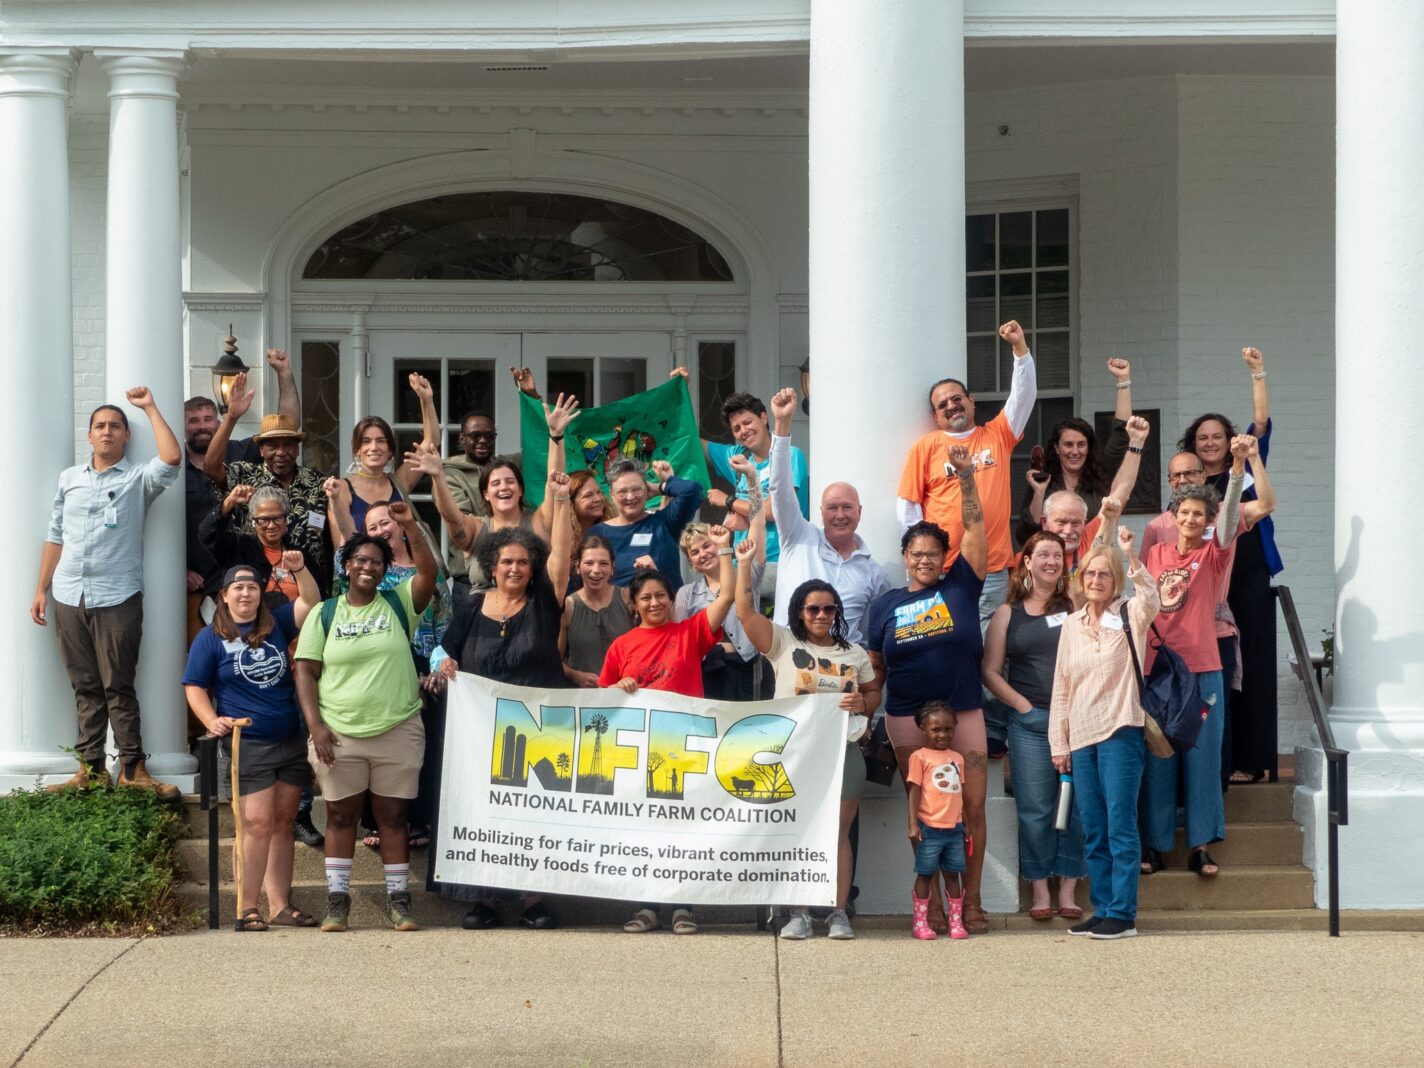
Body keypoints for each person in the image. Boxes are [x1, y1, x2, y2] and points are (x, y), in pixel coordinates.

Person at [427, 468, 575, 931]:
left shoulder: (545, 602)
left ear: (533, 568)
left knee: (532, 815)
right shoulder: (471, 606)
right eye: (506, 562)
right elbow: (444, 650)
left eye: (522, 563)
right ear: (491, 565)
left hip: (538, 731)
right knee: (485, 810)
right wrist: (442, 665)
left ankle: (534, 901)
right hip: (482, 733)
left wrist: (563, 502)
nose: (514, 568)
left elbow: (563, 561)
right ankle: (484, 899)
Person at [293, 502, 438, 933]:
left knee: (394, 818)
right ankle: (338, 903)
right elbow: (305, 669)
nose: (368, 568)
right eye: (360, 560)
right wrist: (316, 726)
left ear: (385, 568)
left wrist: (410, 525)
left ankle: (400, 903)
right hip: (339, 734)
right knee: (340, 818)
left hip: (398, 729)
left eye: (376, 562)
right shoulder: (326, 613)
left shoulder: (398, 604)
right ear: (346, 565)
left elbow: (428, 574)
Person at [32, 388, 182, 797]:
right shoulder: (70, 479)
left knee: (118, 684)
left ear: (125, 437)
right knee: (84, 684)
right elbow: (54, 535)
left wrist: (149, 407)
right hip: (68, 594)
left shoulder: (137, 479)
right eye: (100, 426)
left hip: (118, 595)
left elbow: (171, 458)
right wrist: (41, 588)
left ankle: (133, 769)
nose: (107, 432)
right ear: (90, 435)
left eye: (115, 426)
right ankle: (90, 768)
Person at [867, 444, 990, 934]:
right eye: (916, 554)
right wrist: (864, 705)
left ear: (945, 559)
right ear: (904, 557)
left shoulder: (961, 585)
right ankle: (934, 906)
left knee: (971, 809)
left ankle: (971, 901)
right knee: (925, 813)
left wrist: (965, 479)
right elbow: (876, 667)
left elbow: (977, 531)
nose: (924, 560)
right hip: (905, 718)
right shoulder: (885, 605)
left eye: (932, 554)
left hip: (964, 713)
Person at [733, 560, 882, 941]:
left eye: (828, 608)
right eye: (813, 608)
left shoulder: (855, 653)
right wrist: (741, 563)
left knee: (838, 834)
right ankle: (797, 912)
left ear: (837, 613)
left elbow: (871, 693)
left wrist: (863, 704)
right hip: (793, 754)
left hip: (842, 752)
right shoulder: (783, 643)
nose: (821, 615)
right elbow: (745, 612)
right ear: (800, 611)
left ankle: (837, 912)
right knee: (796, 831)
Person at [600, 525, 736, 935]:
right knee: (645, 829)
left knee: (683, 829)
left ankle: (683, 907)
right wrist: (618, 688)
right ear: (635, 605)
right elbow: (602, 704)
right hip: (639, 754)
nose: (655, 602)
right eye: (647, 598)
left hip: (685, 749)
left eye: (661, 595)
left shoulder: (690, 632)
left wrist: (727, 550)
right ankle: (647, 907)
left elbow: (727, 596)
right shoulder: (620, 647)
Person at [183, 559, 321, 929]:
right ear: (224, 596)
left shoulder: (277, 625)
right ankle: (247, 907)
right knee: (256, 823)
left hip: (288, 739)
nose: (246, 594)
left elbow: (310, 600)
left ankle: (279, 905)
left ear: (261, 595)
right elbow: (194, 685)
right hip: (248, 743)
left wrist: (300, 570)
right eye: (238, 588)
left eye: (252, 588)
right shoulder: (210, 638)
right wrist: (210, 719)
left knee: (282, 821)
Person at [1139, 437, 1249, 880]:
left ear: (1207, 521)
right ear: (1175, 515)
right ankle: (1158, 844)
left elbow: (1232, 516)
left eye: (1198, 514)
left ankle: (1200, 846)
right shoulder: (1155, 552)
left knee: (1202, 759)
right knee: (1159, 758)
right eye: (1184, 512)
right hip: (1160, 669)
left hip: (1203, 668)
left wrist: (1238, 466)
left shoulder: (1214, 553)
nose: (1190, 518)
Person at [1141, 439, 1277, 790]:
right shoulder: (1157, 530)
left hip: (1214, 634)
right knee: (1168, 726)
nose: (1184, 479)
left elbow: (1265, 504)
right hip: (1170, 643)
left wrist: (1252, 459)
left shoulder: (1220, 521)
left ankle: (1212, 800)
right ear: (1169, 482)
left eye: (1191, 472)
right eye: (1176, 474)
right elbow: (1146, 589)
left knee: (1214, 723)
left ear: (1204, 476)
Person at [1177, 346, 1283, 783]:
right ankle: (1218, 758)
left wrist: (1257, 372)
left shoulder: (1245, 467)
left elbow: (1260, 422)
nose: (1209, 443)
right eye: (1202, 438)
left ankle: (1252, 760)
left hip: (1248, 570)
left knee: (1252, 663)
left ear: (1228, 440)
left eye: (1216, 436)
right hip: (1208, 580)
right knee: (1217, 664)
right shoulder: (1189, 483)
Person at [1049, 528, 1160, 940]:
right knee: (1092, 827)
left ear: (1115, 581)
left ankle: (1124, 913)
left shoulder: (1130, 614)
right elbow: (1062, 686)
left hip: (1119, 730)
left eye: (1104, 575)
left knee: (1120, 825)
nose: (1096, 581)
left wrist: (1130, 555)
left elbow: (1153, 597)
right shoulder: (1071, 625)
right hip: (1080, 736)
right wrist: (1058, 743)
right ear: (1080, 580)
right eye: (1090, 574)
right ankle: (1104, 908)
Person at [896, 319, 1036, 625]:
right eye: (942, 404)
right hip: (943, 569)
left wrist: (1019, 348)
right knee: (943, 640)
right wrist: (922, 557)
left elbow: (1023, 397)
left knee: (988, 650)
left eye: (957, 398)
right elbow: (908, 508)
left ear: (971, 402)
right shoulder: (926, 446)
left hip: (993, 568)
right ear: (935, 415)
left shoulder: (998, 434)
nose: (951, 405)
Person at [983, 531, 1086, 920]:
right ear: (1026, 562)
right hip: (1030, 723)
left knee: (1074, 803)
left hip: (1077, 720)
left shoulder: (1076, 604)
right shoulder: (1008, 614)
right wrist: (1022, 706)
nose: (1050, 561)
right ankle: (1041, 886)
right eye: (1041, 554)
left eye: (1057, 555)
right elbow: (990, 672)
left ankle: (1070, 886)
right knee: (1036, 806)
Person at [765, 387, 889, 644]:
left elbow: (868, 636)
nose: (840, 515)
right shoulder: (798, 536)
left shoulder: (874, 573)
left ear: (859, 512)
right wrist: (782, 423)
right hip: (791, 662)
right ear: (821, 513)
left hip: (844, 670)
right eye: (832, 508)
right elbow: (779, 486)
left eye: (847, 507)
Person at [670, 373, 810, 598]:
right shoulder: (737, 455)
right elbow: (691, 441)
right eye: (736, 429)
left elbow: (772, 510)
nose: (743, 431)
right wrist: (680, 392)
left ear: (764, 418)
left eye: (748, 422)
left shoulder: (790, 456)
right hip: (745, 563)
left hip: (781, 563)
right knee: (700, 596)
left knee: (721, 596)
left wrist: (729, 501)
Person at [420, 394, 577, 591]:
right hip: (481, 615)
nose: (504, 487)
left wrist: (556, 436)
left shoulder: (537, 523)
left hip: (530, 615)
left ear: (520, 490)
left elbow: (553, 481)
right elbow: (451, 517)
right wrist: (438, 476)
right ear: (485, 493)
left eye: (510, 481)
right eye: (496, 483)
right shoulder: (478, 529)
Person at [203, 391, 334, 590]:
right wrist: (231, 418)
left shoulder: (317, 482)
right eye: (272, 446)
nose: (281, 452)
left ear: (297, 449)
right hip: (257, 586)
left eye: (288, 445)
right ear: (261, 450)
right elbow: (211, 467)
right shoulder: (244, 474)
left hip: (310, 587)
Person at [1015, 357, 1134, 547]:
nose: (1075, 451)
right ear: (1056, 448)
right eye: (1068, 445)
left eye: (1081, 444)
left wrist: (1123, 381)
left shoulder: (1100, 475)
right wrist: (1039, 493)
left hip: (1094, 564)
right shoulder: (1043, 480)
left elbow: (1122, 435)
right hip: (1053, 566)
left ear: (1089, 447)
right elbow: (1024, 536)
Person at [675, 455, 767, 701]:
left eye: (707, 545)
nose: (703, 554)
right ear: (691, 563)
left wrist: (751, 478)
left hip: (748, 669)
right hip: (707, 673)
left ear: (719, 543)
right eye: (694, 552)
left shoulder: (746, 569)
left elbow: (757, 522)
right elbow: (682, 643)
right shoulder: (686, 594)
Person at [321, 372, 439, 535]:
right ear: (357, 450)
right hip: (361, 560)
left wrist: (426, 400)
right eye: (366, 441)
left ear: (390, 450)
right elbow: (340, 546)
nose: (374, 447)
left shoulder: (399, 482)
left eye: (381, 441)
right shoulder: (342, 488)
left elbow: (431, 441)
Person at [1032, 414, 1151, 575]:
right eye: (1061, 522)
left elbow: (1121, 493)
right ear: (1045, 522)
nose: (1068, 530)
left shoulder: (1088, 536)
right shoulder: (1031, 558)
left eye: (1075, 523)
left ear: (1084, 522)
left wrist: (1136, 443)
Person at [440, 406, 525, 597]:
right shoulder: (450, 475)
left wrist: (532, 396)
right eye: (475, 435)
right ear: (462, 438)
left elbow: (540, 448)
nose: (483, 440)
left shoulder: (506, 466)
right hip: (471, 580)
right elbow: (461, 522)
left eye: (489, 436)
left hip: (515, 577)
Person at [201, 485, 333, 602]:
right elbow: (207, 534)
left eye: (277, 518)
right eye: (263, 519)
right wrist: (228, 503)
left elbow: (319, 597)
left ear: (286, 520)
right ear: (254, 521)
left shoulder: (299, 555)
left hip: (295, 625)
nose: (271, 525)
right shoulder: (238, 548)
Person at [905, 701, 969, 940]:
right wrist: (912, 823)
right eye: (936, 730)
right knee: (926, 874)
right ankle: (920, 922)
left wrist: (966, 824)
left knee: (953, 874)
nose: (943, 734)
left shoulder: (957, 758)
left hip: (955, 828)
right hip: (929, 827)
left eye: (948, 729)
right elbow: (914, 790)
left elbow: (959, 793)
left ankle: (956, 922)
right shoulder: (919, 757)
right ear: (924, 729)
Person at [589, 458, 705, 588]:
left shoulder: (665, 522)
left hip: (667, 606)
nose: (630, 497)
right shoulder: (598, 533)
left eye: (636, 489)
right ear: (612, 494)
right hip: (618, 607)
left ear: (646, 488)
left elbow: (692, 490)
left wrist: (659, 488)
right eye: (622, 492)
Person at [559, 534, 634, 687]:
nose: (596, 570)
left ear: (613, 567)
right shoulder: (568, 606)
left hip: (626, 696)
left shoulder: (628, 598)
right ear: (578, 567)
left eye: (603, 564)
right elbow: (554, 660)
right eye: (589, 563)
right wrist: (576, 676)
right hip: (582, 700)